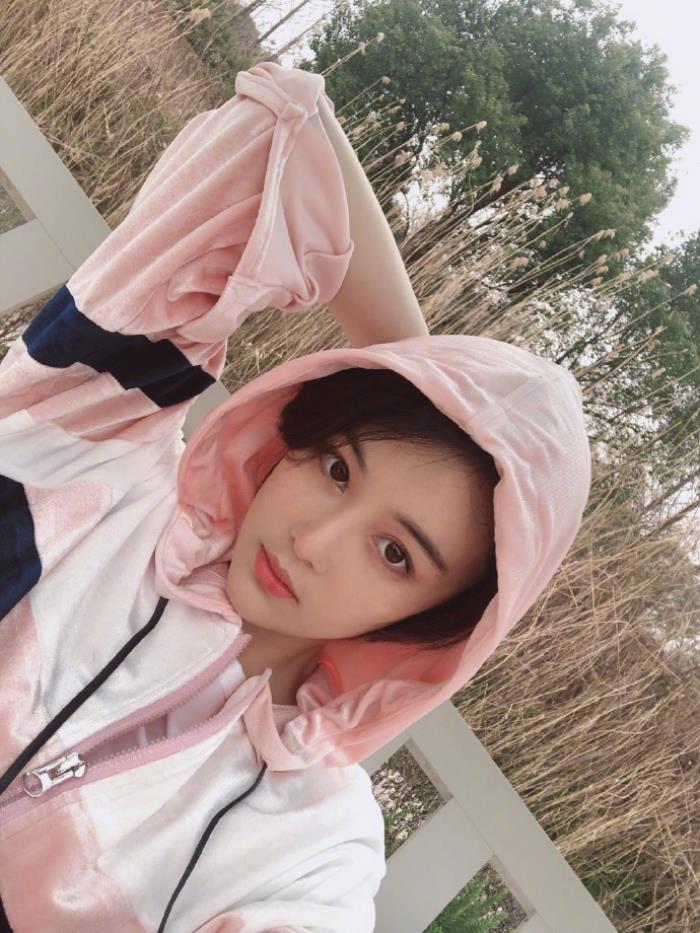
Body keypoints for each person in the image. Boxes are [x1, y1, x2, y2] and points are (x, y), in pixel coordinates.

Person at [0, 61, 591, 932]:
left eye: (395, 553)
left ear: (438, 621)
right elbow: (276, 134)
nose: (313, 539)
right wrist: (426, 385)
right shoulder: (102, 462)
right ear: (294, 438)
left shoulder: (316, 846)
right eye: (339, 468)